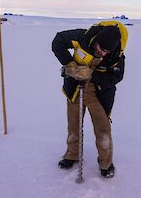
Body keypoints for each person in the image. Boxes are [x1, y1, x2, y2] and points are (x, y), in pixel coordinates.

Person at [52, 21, 128, 178]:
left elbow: (116, 77)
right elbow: (57, 41)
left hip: (99, 95)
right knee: (73, 126)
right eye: (100, 48)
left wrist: (91, 75)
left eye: (106, 51)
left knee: (103, 130)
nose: (102, 52)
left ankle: (106, 164)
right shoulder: (83, 37)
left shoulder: (116, 56)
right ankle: (71, 155)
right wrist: (71, 66)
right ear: (97, 40)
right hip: (74, 89)